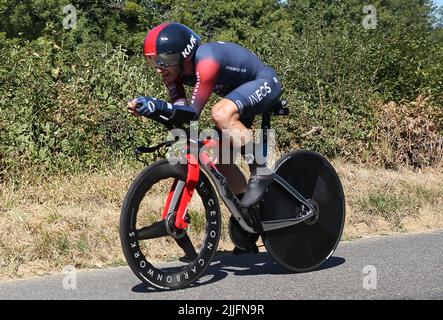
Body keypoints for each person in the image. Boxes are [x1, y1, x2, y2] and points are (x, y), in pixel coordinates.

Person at [127, 22, 282, 209]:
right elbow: (180, 112)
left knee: (220, 113)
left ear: (182, 55)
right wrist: (152, 110)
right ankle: (252, 214)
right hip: (239, 95)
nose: (158, 68)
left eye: (162, 61)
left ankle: (261, 170)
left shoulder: (207, 61)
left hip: (265, 82)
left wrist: (158, 104)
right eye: (153, 61)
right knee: (222, 162)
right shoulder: (173, 72)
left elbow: (193, 113)